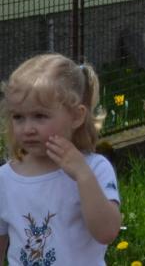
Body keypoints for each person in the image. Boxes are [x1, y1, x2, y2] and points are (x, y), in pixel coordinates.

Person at [0, 54, 121, 265]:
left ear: (76, 116)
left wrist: (83, 176)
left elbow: (107, 232)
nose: (28, 129)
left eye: (40, 116)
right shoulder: (5, 178)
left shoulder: (94, 168)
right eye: (18, 117)